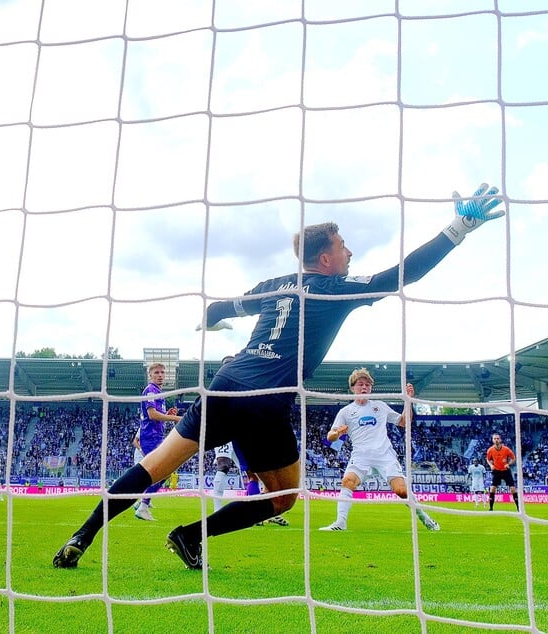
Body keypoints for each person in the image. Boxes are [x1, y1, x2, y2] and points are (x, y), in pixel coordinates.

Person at [53, 182, 504, 569]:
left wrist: (212, 324)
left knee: (152, 467)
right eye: (343, 246)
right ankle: (190, 535)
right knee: (283, 497)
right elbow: (401, 275)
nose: (349, 252)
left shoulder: (274, 286)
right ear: (325, 259)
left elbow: (218, 308)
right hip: (266, 400)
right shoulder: (333, 289)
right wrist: (458, 229)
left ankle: (81, 536)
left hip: (225, 384)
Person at [319, 368, 439, 532]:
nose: (364, 387)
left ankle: (424, 517)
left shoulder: (380, 406)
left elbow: (404, 422)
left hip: (384, 455)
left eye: (367, 385)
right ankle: (340, 523)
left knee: (401, 491)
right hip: (361, 456)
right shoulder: (345, 412)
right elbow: (330, 436)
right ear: (353, 388)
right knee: (347, 482)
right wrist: (337, 433)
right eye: (361, 384)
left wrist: (408, 401)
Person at [133, 362, 183, 521]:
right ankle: (142, 505)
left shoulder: (158, 392)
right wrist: (175, 418)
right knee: (163, 471)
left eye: (162, 372)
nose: (160, 375)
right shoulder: (150, 391)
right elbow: (152, 415)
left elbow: (157, 417)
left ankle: (142, 503)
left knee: (163, 472)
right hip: (150, 437)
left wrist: (167, 414)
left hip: (156, 437)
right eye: (156, 372)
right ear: (150, 375)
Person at [486, 433, 519, 511]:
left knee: (513, 489)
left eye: (497, 438)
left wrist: (508, 464)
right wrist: (491, 465)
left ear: (500, 440)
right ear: (492, 440)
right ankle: (491, 508)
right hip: (497, 471)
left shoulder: (506, 449)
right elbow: (487, 459)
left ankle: (518, 507)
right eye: (494, 439)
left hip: (505, 471)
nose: (496, 440)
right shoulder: (490, 450)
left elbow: (513, 458)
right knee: (492, 489)